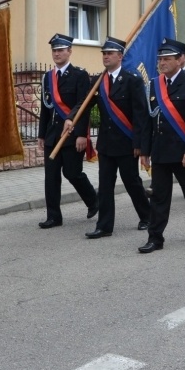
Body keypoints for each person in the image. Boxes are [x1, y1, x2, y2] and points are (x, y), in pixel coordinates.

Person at [63, 37, 150, 238]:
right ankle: (104, 226)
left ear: (120, 56)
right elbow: (83, 104)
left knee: (132, 182)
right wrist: (71, 118)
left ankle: (147, 216)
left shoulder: (132, 80)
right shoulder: (97, 81)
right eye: (104, 53)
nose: (106, 56)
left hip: (127, 143)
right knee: (105, 186)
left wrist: (140, 144)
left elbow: (141, 115)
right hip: (107, 144)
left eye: (110, 53)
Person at [138, 39, 185, 253]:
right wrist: (145, 150)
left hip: (182, 153)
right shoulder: (154, 84)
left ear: (180, 60)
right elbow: (148, 121)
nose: (162, 62)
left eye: (167, 59)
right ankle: (155, 238)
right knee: (159, 197)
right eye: (160, 59)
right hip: (160, 151)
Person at [37, 34, 98, 229]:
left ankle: (94, 201)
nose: (57, 53)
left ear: (69, 51)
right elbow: (46, 107)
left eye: (61, 50)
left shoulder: (80, 75)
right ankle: (53, 216)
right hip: (53, 134)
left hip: (72, 135)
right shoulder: (48, 77)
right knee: (51, 176)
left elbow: (84, 106)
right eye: (54, 50)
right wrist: (41, 134)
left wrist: (81, 134)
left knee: (73, 173)